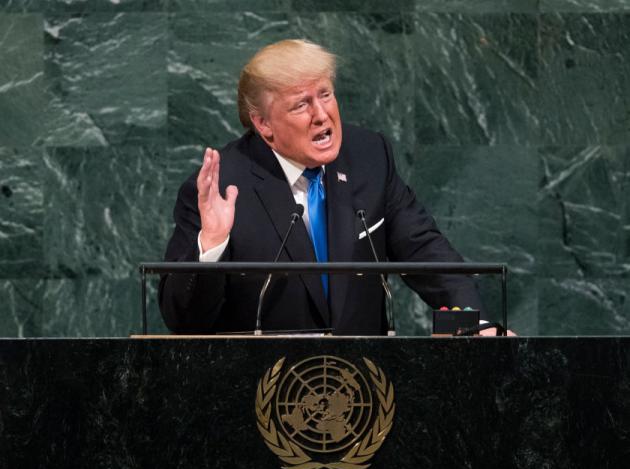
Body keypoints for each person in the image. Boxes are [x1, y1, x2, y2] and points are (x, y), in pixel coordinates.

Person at [159, 39, 491, 336]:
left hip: (365, 386)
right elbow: (184, 321)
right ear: (263, 124)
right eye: (301, 104)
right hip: (264, 390)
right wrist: (212, 245)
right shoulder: (222, 188)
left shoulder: (369, 157)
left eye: (326, 95)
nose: (322, 115)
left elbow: (423, 250)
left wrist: (474, 325)